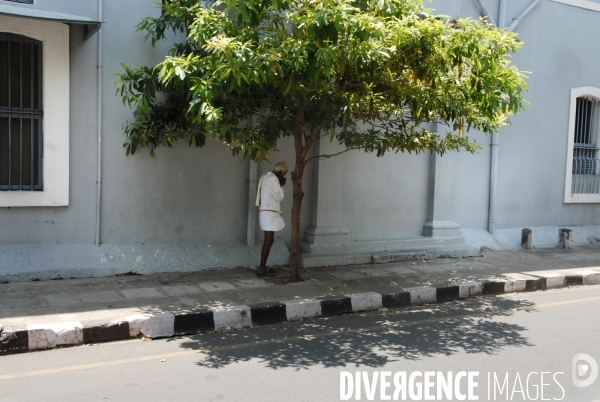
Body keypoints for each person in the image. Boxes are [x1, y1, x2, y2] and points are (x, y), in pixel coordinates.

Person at [255, 162, 288, 277]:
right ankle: (261, 268)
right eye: (284, 174)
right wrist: (281, 185)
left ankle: (262, 267)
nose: (283, 177)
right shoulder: (273, 179)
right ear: (281, 172)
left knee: (269, 240)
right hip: (269, 213)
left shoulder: (267, 177)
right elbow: (279, 196)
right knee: (269, 240)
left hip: (266, 212)